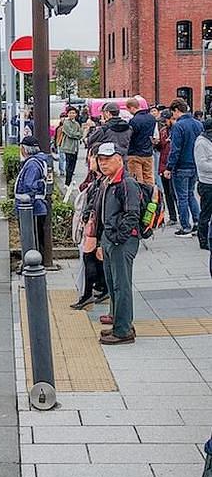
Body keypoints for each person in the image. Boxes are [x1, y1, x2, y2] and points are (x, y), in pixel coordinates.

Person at [95, 142, 141, 345]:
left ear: (118, 159)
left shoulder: (126, 183)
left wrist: (117, 239)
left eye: (107, 160)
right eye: (100, 160)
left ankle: (123, 330)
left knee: (121, 285)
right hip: (110, 239)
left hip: (121, 241)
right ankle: (119, 323)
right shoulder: (108, 181)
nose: (103, 164)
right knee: (114, 284)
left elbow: (132, 214)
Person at [70, 154, 108, 309]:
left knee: (89, 259)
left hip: (96, 228)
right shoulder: (98, 180)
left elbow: (94, 206)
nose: (90, 159)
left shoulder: (103, 183)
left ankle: (88, 294)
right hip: (95, 227)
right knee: (95, 259)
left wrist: (87, 219)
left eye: (94, 157)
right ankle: (101, 288)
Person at [166, 98, 203, 236]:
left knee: (182, 197)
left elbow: (175, 149)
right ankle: (197, 222)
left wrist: (169, 167)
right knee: (191, 194)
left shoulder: (178, 126)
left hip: (181, 165)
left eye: (172, 112)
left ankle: (185, 226)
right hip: (195, 164)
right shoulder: (198, 124)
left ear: (176, 110)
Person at [15, 136, 51, 262]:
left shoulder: (32, 165)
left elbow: (29, 186)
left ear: (25, 149)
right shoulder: (36, 162)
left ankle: (33, 263)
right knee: (35, 236)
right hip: (36, 207)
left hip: (32, 208)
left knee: (32, 237)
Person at [126, 97, 157, 184]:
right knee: (149, 180)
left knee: (137, 181)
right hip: (148, 153)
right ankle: (150, 197)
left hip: (135, 153)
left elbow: (130, 136)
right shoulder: (152, 118)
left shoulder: (134, 121)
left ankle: (140, 197)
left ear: (131, 107)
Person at [195, 119, 212, 251]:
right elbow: (201, 164)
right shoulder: (201, 142)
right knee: (205, 213)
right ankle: (203, 240)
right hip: (206, 183)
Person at [59, 107, 83, 187]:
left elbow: (81, 134)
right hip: (68, 147)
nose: (72, 114)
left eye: (73, 113)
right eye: (70, 113)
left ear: (76, 114)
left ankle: (69, 182)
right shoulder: (66, 122)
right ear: (67, 114)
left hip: (75, 148)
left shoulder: (76, 123)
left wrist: (78, 134)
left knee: (73, 165)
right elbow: (70, 133)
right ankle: (67, 183)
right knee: (69, 165)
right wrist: (77, 134)